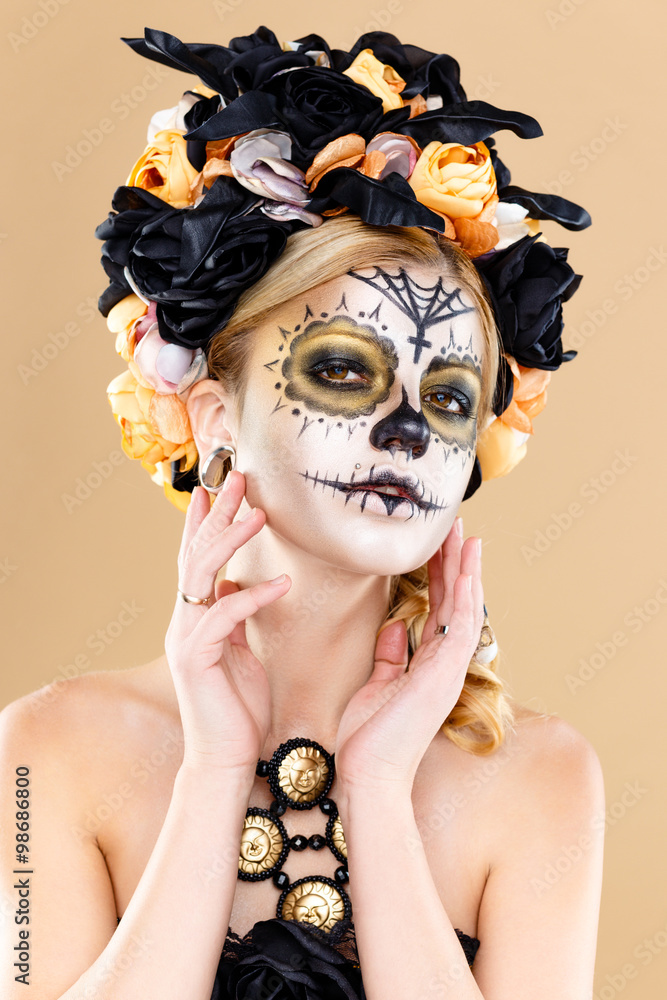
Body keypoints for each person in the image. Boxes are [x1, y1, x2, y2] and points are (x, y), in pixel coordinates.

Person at [0, 25, 604, 1000]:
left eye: (449, 396)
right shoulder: (38, 756)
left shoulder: (546, 781)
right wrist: (211, 771)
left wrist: (375, 793)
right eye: (341, 370)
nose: (408, 430)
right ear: (211, 415)